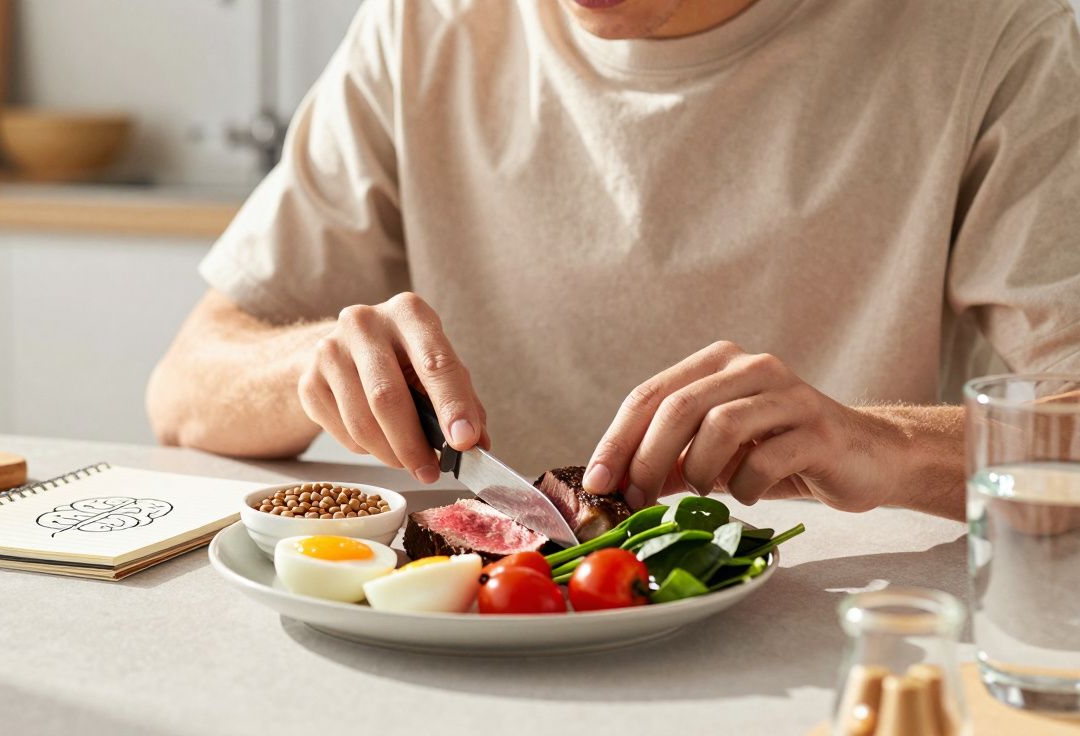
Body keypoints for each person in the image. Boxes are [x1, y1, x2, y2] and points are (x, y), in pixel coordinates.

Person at [147, 0, 1080, 521]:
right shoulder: (421, 27)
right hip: (476, 654)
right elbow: (184, 390)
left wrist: (889, 446)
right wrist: (311, 370)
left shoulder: (995, 35)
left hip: (844, 647)